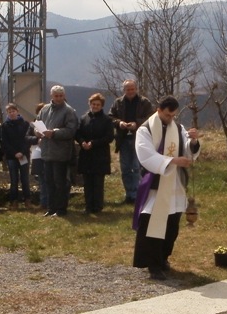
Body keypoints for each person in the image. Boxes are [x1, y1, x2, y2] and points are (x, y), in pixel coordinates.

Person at [132, 95, 201, 280]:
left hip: (174, 185)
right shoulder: (145, 129)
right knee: (153, 224)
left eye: (173, 115)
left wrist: (193, 142)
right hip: (155, 183)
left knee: (172, 226)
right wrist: (172, 161)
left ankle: (163, 258)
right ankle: (153, 264)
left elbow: (187, 149)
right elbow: (146, 156)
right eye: (168, 115)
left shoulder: (177, 128)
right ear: (159, 110)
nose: (171, 119)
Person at [109, 80, 154, 204]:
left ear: (136, 89)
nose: (130, 91)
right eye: (128, 89)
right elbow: (110, 117)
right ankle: (129, 194)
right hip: (123, 139)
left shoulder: (144, 102)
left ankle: (137, 194)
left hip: (139, 139)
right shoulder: (118, 103)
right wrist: (120, 123)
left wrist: (137, 124)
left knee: (136, 167)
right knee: (125, 168)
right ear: (124, 90)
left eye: (132, 89)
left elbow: (151, 118)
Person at [38, 85, 78, 217]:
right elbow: (36, 123)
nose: (59, 98)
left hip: (61, 153)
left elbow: (71, 130)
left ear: (64, 96)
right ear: (51, 96)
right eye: (56, 96)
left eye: (61, 96)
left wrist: (54, 133)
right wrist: (38, 132)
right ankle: (51, 208)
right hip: (47, 152)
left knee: (60, 182)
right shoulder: (44, 109)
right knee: (49, 182)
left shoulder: (69, 111)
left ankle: (61, 209)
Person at [76, 93, 115, 214]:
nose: (95, 106)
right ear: (90, 104)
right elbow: (78, 134)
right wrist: (82, 142)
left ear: (102, 106)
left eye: (98, 104)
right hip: (86, 155)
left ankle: (97, 207)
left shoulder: (107, 120)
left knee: (98, 183)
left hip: (100, 155)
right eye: (93, 104)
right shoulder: (83, 118)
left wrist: (93, 143)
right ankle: (88, 206)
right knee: (87, 183)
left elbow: (109, 137)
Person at [1, 103, 33, 210]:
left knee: (25, 179)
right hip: (11, 156)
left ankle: (27, 200)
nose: (11, 113)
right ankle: (14, 201)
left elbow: (27, 140)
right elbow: (5, 142)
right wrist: (14, 153)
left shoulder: (25, 124)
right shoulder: (5, 126)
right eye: (9, 112)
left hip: (24, 155)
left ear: (17, 111)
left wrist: (22, 152)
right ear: (7, 113)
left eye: (13, 111)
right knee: (14, 180)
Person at [29, 103, 48, 213]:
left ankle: (51, 203)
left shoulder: (51, 122)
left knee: (49, 180)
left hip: (50, 154)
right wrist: (36, 139)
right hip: (37, 154)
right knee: (41, 180)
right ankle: (43, 203)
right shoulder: (33, 124)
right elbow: (27, 137)